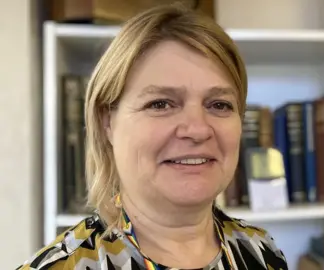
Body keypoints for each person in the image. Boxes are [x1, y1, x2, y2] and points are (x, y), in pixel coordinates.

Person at [17, 3, 288, 270]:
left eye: (219, 104)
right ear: (107, 122)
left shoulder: (263, 251)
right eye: (160, 104)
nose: (197, 130)